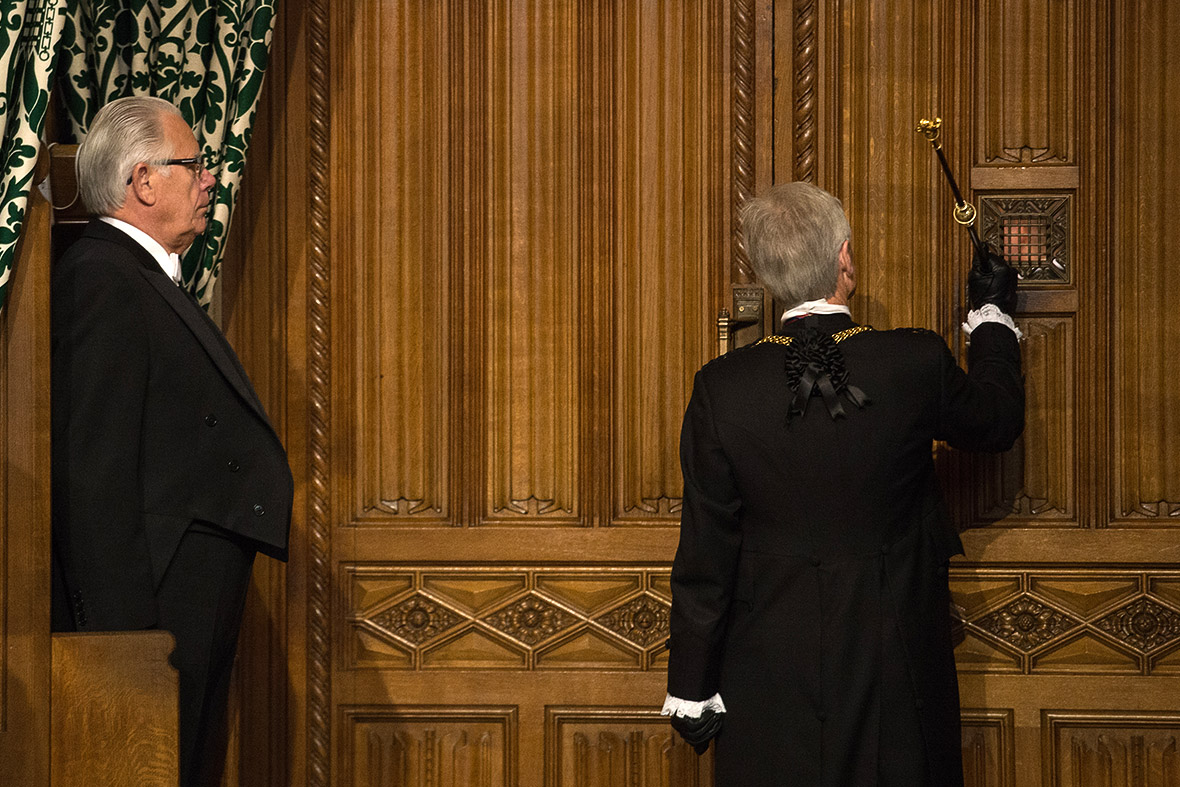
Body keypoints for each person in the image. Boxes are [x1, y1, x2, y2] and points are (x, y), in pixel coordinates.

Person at [662, 181, 1024, 785]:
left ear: (768, 273)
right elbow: (996, 420)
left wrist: (690, 689)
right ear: (844, 258)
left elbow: (706, 548)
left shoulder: (721, 387)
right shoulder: (913, 361)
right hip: (896, 665)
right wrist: (991, 319)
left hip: (767, 671)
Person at [50, 95, 293, 787]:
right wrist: (129, 642)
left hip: (181, 605)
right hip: (153, 611)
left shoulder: (140, 276)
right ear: (144, 181)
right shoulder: (102, 278)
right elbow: (90, 471)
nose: (209, 179)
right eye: (193, 164)